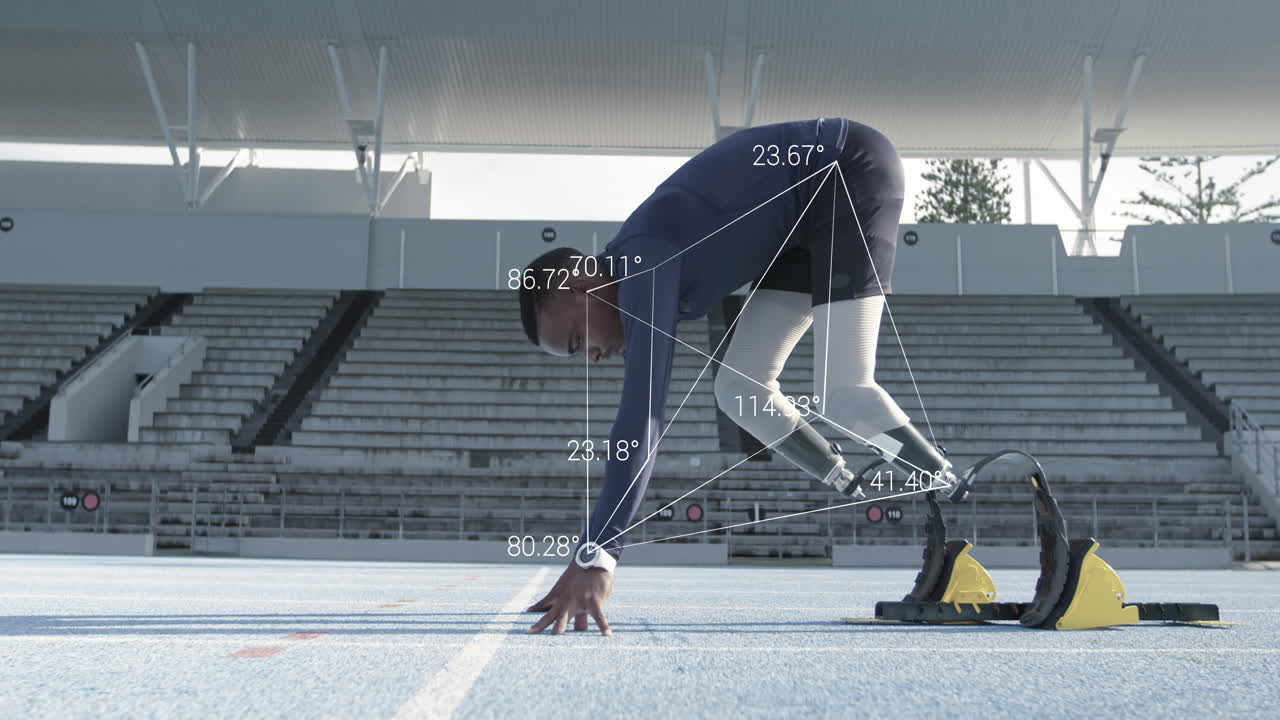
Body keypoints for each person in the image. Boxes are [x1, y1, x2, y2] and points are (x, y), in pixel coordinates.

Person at [517, 118, 956, 636]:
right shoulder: (640, 262)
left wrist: (598, 555)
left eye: (575, 342)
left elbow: (644, 416)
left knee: (845, 394)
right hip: (803, 220)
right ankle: (849, 480)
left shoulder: (642, 262)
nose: (589, 357)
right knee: (738, 390)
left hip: (844, 172)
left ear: (581, 283)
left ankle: (957, 495)